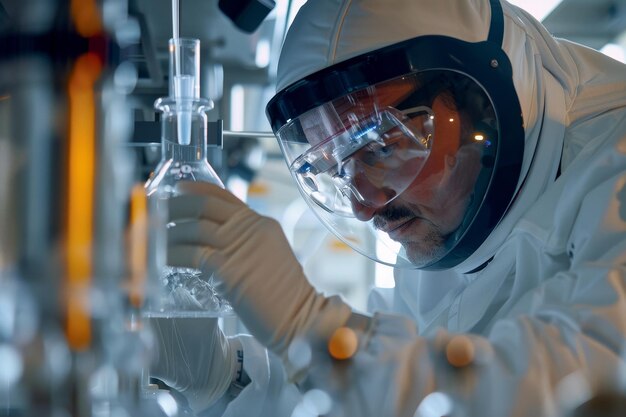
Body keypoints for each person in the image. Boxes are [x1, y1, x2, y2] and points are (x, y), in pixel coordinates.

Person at [149, 0, 626, 416]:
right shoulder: (448, 227)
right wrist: (226, 380)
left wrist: (310, 326)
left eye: (381, 146)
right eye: (334, 169)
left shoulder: (614, 164)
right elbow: (404, 381)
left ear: (483, 99)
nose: (363, 206)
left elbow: (584, 382)